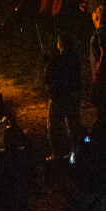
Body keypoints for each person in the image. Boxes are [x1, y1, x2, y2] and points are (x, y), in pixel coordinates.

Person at [44, 33, 83, 161]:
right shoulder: (76, 59)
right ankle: (75, 153)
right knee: (73, 124)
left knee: (54, 127)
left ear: (59, 45)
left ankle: (58, 155)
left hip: (58, 98)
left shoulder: (56, 61)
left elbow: (47, 79)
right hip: (74, 96)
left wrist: (47, 64)